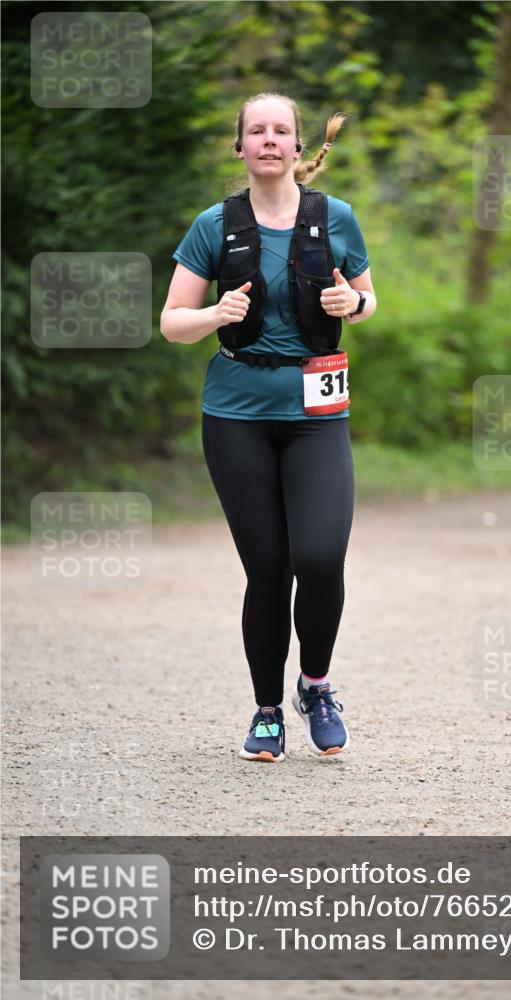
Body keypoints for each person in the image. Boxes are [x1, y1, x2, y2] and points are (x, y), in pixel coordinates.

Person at [160, 92, 376, 762]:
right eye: (256, 130)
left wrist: (354, 301)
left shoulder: (334, 218)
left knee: (319, 556)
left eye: (280, 130)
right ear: (241, 146)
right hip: (236, 415)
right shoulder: (212, 225)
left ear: (296, 144)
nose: (269, 140)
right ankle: (264, 712)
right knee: (268, 569)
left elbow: (367, 300)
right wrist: (217, 314)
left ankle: (314, 684)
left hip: (317, 412)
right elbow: (171, 322)